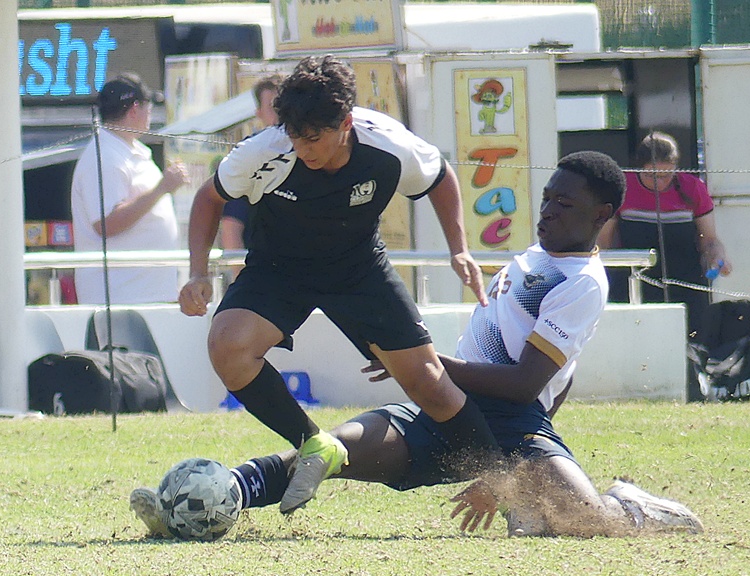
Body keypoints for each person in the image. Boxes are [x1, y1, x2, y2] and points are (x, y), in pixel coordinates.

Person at [137, 151, 704, 538]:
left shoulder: (582, 283)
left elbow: (530, 384)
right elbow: (564, 372)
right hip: (441, 405)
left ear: (602, 216)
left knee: (584, 522)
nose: (549, 211)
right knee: (330, 450)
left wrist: (432, 370)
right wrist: (426, 373)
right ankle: (217, 495)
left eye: (566, 206)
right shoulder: (536, 255)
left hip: (508, 421)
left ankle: (634, 507)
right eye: (549, 198)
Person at [178, 55, 494, 515]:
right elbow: (209, 197)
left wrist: (459, 248)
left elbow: (440, 177)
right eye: (294, 135)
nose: (303, 147)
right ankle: (314, 443)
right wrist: (197, 271)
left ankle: (503, 480)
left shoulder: (387, 143)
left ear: (345, 123)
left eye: (314, 137)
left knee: (429, 384)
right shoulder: (264, 151)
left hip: (358, 268)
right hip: (278, 268)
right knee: (227, 346)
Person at [70, 73, 190, 305]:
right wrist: (161, 189)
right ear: (135, 109)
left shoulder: (127, 150)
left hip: (146, 293)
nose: (150, 113)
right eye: (148, 106)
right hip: (122, 297)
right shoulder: (104, 157)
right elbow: (106, 223)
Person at [597, 131, 731, 335]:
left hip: (686, 282)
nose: (660, 182)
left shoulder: (693, 188)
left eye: (667, 175)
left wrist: (717, 257)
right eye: (652, 175)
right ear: (638, 167)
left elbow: (709, 239)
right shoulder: (620, 188)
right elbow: (604, 244)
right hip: (633, 283)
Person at [219, 75, 282, 282]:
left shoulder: (314, 148)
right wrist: (242, 281)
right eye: (274, 106)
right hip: (263, 274)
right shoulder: (250, 154)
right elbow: (231, 225)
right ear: (259, 114)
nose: (282, 113)